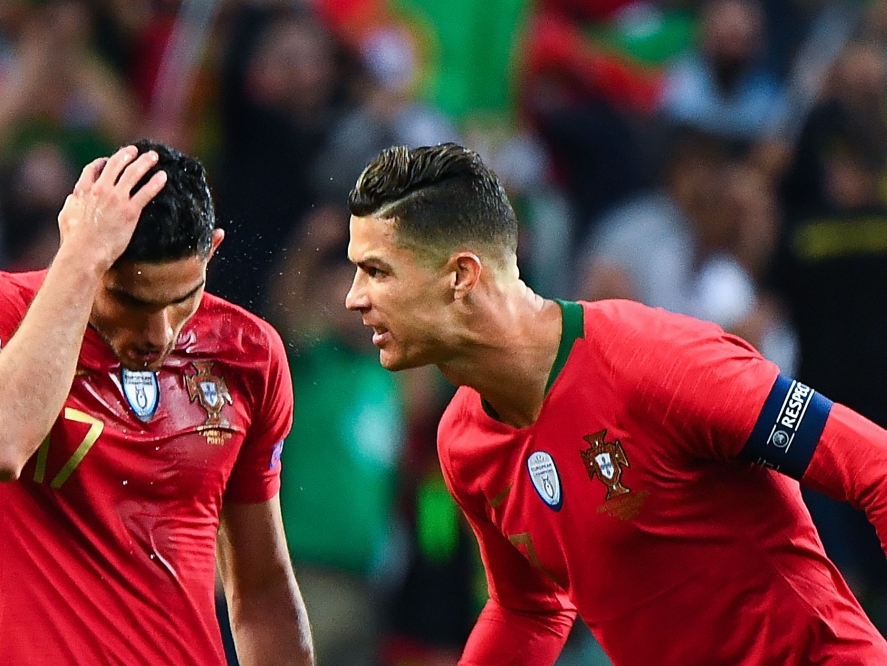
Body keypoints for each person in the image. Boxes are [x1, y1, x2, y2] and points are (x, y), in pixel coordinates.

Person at [343, 142, 887, 665]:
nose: (354, 298)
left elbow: (874, 466)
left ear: (461, 275)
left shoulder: (656, 362)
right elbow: (527, 610)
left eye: (376, 271)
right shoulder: (462, 441)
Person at [0, 140, 313, 666]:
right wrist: (80, 259)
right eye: (131, 301)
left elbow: (263, 587)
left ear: (213, 252)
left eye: (183, 297)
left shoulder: (247, 353)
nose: (159, 333)